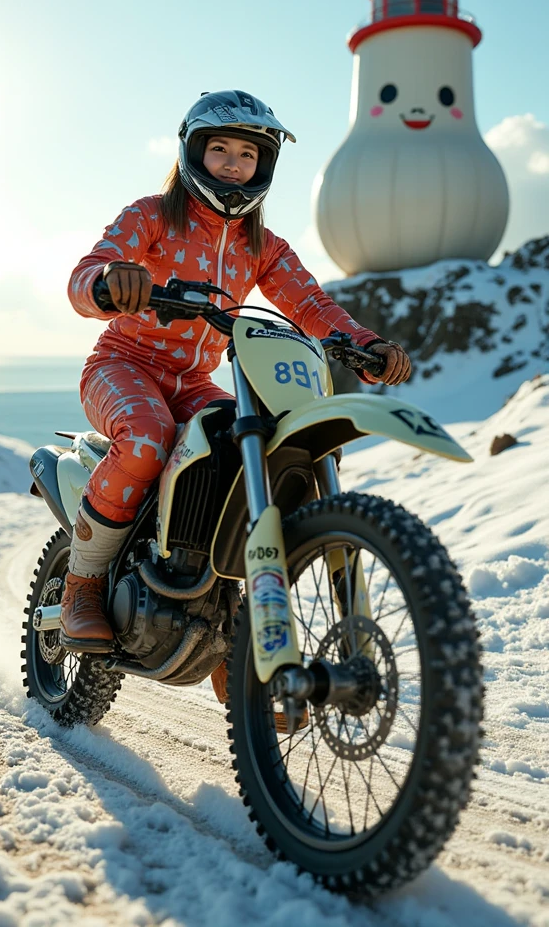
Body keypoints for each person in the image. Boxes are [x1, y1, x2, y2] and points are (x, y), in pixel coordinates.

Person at [63, 89, 411, 685]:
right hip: (123, 365)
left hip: (195, 381)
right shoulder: (151, 215)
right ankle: (83, 586)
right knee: (147, 436)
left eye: (247, 155)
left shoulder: (262, 247)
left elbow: (310, 302)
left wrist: (365, 343)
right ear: (193, 153)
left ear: (264, 166)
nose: (232, 164)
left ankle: (235, 637)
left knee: (257, 457)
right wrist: (107, 281)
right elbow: (86, 274)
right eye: (219, 148)